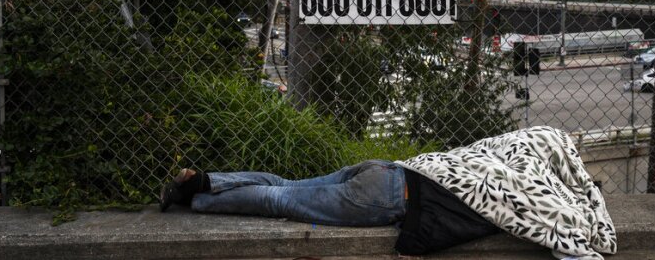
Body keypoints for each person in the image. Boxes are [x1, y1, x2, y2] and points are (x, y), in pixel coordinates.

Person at [160, 126, 617, 259]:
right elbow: (575, 244)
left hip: (389, 169)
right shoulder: (533, 201)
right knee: (280, 202)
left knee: (287, 185)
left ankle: (204, 182)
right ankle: (195, 199)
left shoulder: (513, 157)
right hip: (385, 200)